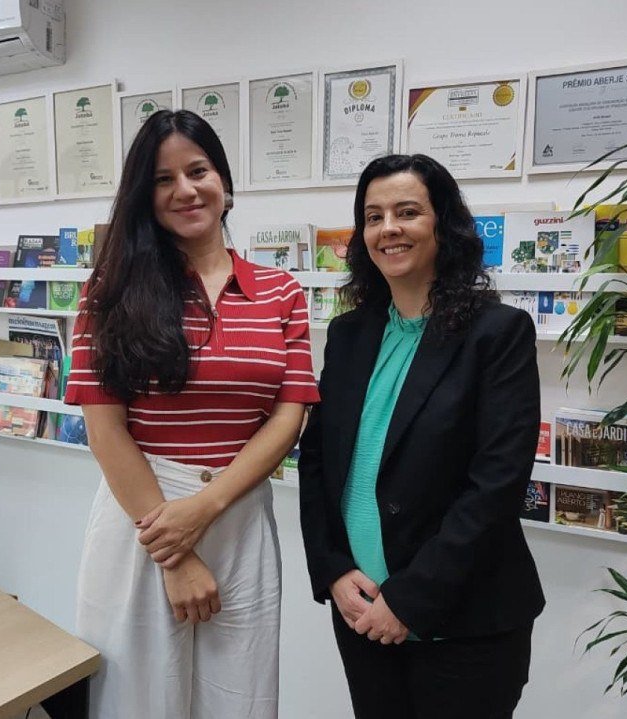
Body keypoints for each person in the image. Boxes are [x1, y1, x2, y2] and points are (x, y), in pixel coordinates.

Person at [64, 109, 319, 719]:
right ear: (144, 196)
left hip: (238, 514)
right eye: (162, 179)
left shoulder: (281, 292)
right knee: (136, 703)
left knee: (239, 702)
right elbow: (105, 430)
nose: (185, 190)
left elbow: (288, 418)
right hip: (143, 521)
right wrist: (173, 552)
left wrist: (203, 509)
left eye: (198, 171)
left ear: (223, 180)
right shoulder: (109, 292)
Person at [298, 154, 544, 719]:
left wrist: (409, 599)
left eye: (407, 212)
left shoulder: (497, 333)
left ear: (443, 225)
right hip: (361, 612)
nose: (389, 228)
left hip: (465, 623)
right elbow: (317, 461)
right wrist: (332, 569)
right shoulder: (349, 334)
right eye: (374, 216)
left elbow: (497, 483)